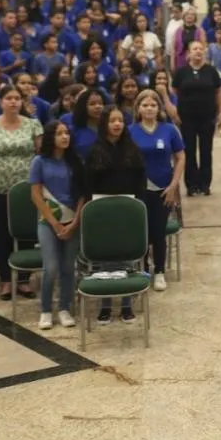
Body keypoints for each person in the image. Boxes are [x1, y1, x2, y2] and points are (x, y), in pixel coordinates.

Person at [0, 84, 43, 300]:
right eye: (9, 98)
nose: (13, 102)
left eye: (17, 98)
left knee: (27, 233)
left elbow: (41, 156)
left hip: (27, 189)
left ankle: (23, 280)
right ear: (1, 101)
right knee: (2, 234)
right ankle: (5, 280)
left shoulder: (33, 125)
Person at [84, 105, 147, 324]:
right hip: (103, 210)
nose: (117, 124)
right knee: (107, 261)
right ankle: (105, 305)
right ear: (105, 124)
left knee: (127, 259)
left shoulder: (132, 148)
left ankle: (127, 305)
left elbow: (140, 180)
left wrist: (136, 204)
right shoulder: (95, 150)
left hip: (127, 209)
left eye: (120, 120)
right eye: (112, 121)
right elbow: (89, 184)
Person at [29, 121, 85, 330]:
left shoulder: (76, 162)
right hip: (48, 222)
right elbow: (35, 194)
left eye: (67, 133)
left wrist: (75, 221)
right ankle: (45, 309)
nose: (65, 137)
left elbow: (82, 194)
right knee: (51, 267)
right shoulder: (39, 162)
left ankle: (64, 308)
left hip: (72, 220)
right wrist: (54, 223)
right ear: (51, 137)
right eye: (60, 133)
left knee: (68, 267)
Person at [129, 90, 185, 291]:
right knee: (141, 231)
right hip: (139, 188)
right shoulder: (130, 131)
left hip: (163, 189)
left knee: (158, 230)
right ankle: (143, 268)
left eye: (153, 105)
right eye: (145, 105)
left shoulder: (169, 130)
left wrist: (174, 185)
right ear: (138, 109)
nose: (149, 108)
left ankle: (159, 271)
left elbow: (181, 157)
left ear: (159, 108)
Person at [171, 40, 221, 196]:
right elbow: (174, 93)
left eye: (201, 49)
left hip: (207, 117)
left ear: (204, 52)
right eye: (195, 49)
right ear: (189, 53)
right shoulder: (181, 72)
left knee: (206, 151)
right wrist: (175, 114)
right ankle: (191, 185)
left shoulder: (211, 71)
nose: (198, 52)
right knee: (189, 151)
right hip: (186, 118)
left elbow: (218, 92)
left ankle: (205, 184)